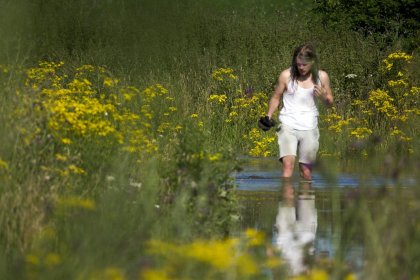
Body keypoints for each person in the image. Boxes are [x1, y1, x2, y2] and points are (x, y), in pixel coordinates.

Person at [259, 43, 333, 180]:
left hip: (310, 126)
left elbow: (330, 102)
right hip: (288, 124)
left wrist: (323, 96)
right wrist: (268, 115)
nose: (301, 68)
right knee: (288, 168)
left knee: (306, 173)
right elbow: (276, 97)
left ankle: (306, 199)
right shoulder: (286, 75)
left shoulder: (322, 77)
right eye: (298, 64)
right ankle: (286, 200)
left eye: (305, 65)